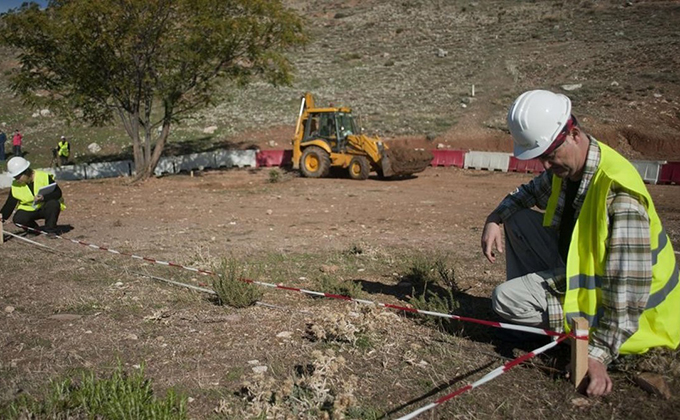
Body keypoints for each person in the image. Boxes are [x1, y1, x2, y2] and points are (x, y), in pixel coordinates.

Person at [481, 89, 679, 398]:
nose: (545, 167)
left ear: (573, 134)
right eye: (539, 158)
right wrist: (496, 216)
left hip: (641, 321)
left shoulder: (619, 196)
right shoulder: (570, 166)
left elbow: (627, 294)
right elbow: (529, 193)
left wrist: (596, 356)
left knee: (507, 300)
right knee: (517, 219)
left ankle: (569, 337)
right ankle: (542, 325)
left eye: (549, 156)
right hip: (587, 275)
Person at [1, 156, 65, 234]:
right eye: (15, 177)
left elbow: (57, 193)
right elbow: (10, 204)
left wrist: (43, 198)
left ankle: (50, 230)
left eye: (18, 177)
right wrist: (1, 217)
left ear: (26, 172)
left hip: (45, 208)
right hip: (30, 210)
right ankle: (34, 230)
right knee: (18, 219)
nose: (16, 180)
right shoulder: (15, 185)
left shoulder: (44, 177)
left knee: (53, 204)